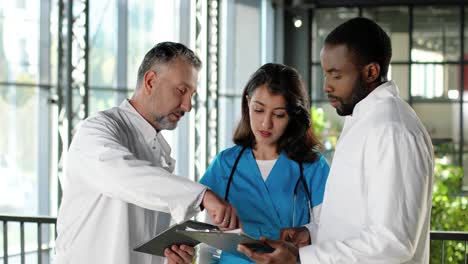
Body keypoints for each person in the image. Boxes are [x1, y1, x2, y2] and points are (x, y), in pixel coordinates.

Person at [238, 17, 434, 263]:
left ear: (371, 72)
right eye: (325, 74)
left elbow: (393, 242)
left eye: (336, 76)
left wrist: (301, 258)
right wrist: (311, 234)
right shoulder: (364, 121)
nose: (326, 86)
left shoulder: (393, 130)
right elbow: (354, 221)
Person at [55, 42, 239, 264]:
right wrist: (202, 196)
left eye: (192, 94)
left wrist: (172, 257)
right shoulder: (96, 130)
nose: (188, 105)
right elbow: (122, 174)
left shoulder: (158, 150)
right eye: (181, 91)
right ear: (150, 81)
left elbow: (144, 231)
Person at [199, 63, 330, 263]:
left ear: (293, 115)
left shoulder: (313, 166)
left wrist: (307, 234)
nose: (266, 123)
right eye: (258, 110)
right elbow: (207, 243)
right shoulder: (225, 164)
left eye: (278, 115)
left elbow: (332, 231)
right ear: (247, 103)